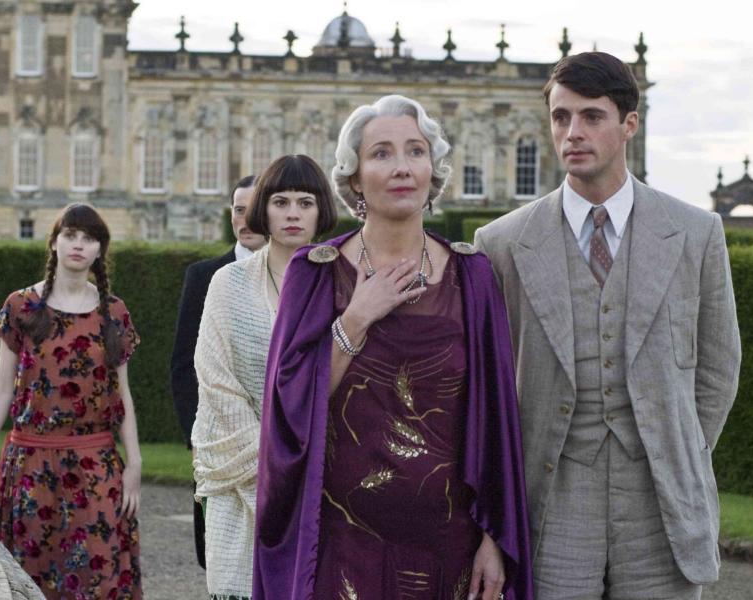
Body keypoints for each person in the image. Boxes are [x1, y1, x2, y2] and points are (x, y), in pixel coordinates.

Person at [475, 52, 741, 599]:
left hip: (660, 500)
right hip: (551, 498)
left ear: (628, 124)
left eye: (592, 116)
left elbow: (718, 366)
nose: (573, 132)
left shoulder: (696, 232)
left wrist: (676, 446)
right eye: (560, 117)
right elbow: (486, 387)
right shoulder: (499, 243)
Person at [253, 95, 532, 600]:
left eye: (415, 151)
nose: (402, 167)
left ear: (433, 168)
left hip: (450, 545)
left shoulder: (473, 277)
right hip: (340, 543)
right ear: (354, 177)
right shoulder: (315, 274)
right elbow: (287, 409)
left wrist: (495, 537)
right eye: (381, 153)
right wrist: (356, 318)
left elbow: (496, 421)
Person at [0, 203, 143, 599]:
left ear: (100, 249)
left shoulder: (114, 313)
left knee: (100, 577)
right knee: (30, 581)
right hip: (30, 468)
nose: (78, 245)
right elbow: (2, 389)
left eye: (89, 238)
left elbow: (122, 395)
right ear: (55, 243)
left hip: (95, 464)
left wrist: (135, 464)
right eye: (70, 235)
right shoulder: (21, 307)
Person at [191, 155, 338, 599]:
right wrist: (273, 463)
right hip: (237, 476)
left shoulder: (341, 283)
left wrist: (299, 468)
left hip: (320, 480)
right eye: (281, 201)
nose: (293, 213)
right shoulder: (227, 283)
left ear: (321, 211)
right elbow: (215, 380)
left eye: (305, 202)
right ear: (264, 210)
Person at [170, 174, 265, 568]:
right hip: (219, 440)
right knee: (220, 560)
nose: (244, 220)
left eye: (252, 210)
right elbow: (182, 364)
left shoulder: (303, 272)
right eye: (237, 211)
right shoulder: (204, 274)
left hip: (278, 439)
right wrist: (198, 438)